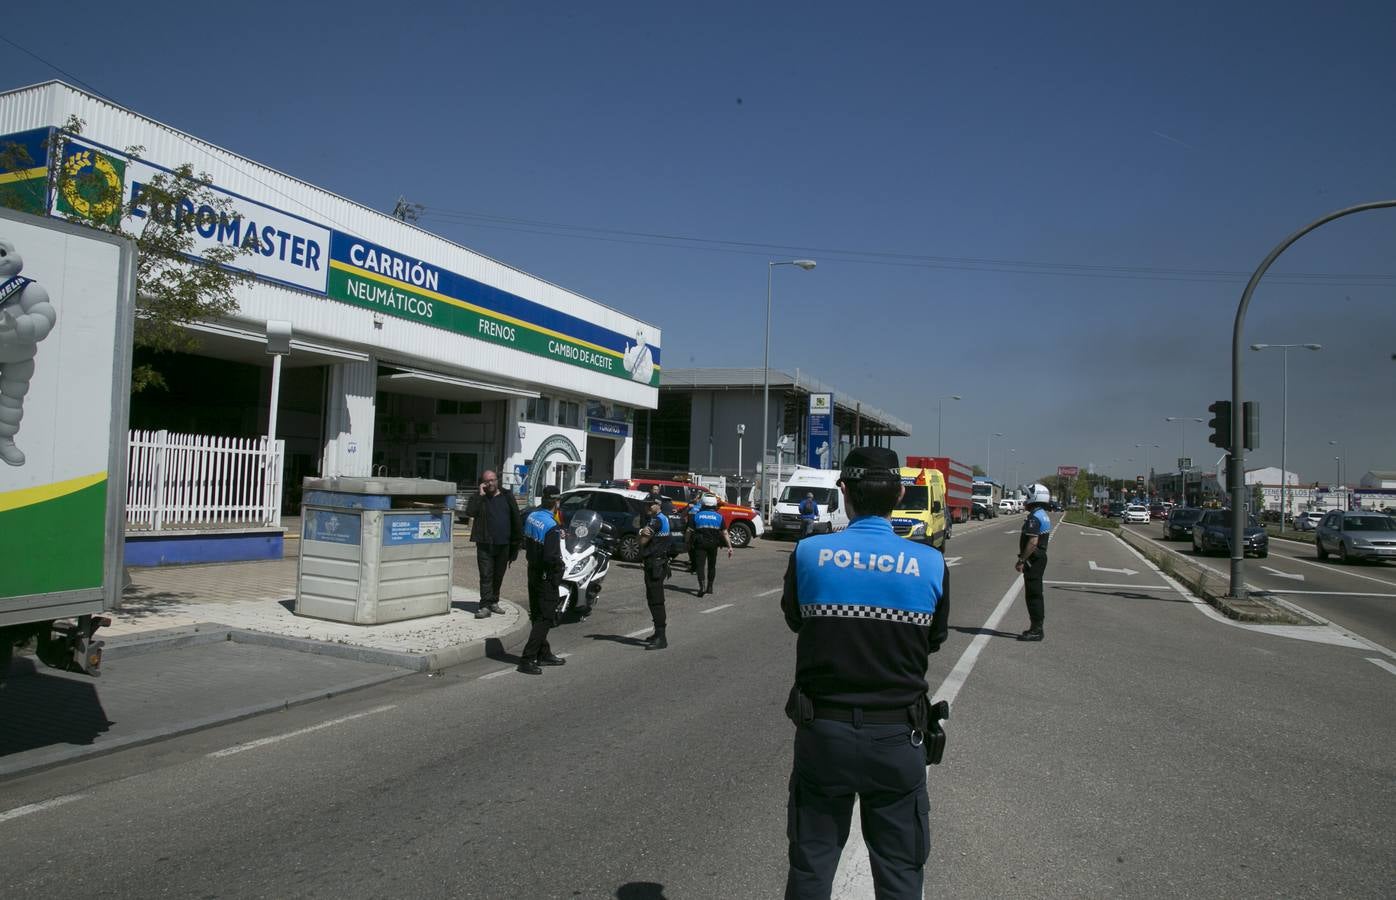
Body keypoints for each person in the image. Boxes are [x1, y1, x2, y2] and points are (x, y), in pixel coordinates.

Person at [780, 446, 949, 900]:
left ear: (844, 492)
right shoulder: (931, 562)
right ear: (898, 494)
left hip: (824, 735)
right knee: (900, 872)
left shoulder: (808, 552)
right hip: (898, 737)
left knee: (811, 867)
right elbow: (933, 639)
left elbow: (795, 619)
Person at [517, 486, 568, 675]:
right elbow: (551, 557)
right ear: (556, 502)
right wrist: (560, 568)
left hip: (533, 571)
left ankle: (543, 653)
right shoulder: (551, 526)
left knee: (538, 614)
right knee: (545, 618)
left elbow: (526, 540)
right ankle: (527, 659)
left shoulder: (532, 517)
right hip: (546, 577)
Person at [465, 470, 522, 619]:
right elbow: (470, 512)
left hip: (504, 544)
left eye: (492, 480)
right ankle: (484, 606)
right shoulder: (479, 497)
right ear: (482, 483)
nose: (490, 483)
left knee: (498, 576)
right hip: (485, 544)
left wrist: (517, 542)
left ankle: (493, 602)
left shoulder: (507, 496)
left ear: (497, 480)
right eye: (486, 481)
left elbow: (516, 518)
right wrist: (480, 495)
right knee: (486, 576)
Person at [1015, 483, 1053, 642]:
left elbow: (1032, 542)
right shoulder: (1042, 514)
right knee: (1035, 594)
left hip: (1034, 560)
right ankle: (1036, 628)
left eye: (1027, 496)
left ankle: (1036, 630)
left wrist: (1022, 560)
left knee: (1033, 595)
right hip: (1039, 558)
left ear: (1034, 497)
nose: (1025, 499)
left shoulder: (1035, 517)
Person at [638, 496, 672, 649]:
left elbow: (642, 541)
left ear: (658, 505)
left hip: (655, 564)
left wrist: (640, 533)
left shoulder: (656, 520)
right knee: (653, 598)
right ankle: (657, 633)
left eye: (650, 505)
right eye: (647, 504)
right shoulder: (663, 518)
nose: (647, 507)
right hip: (659, 562)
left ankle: (661, 637)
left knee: (656, 600)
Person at [685, 493, 732, 597]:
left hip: (700, 544)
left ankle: (702, 587)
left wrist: (687, 542)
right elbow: (725, 533)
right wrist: (729, 547)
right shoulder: (719, 517)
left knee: (700, 566)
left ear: (703, 504)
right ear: (714, 504)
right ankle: (710, 587)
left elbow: (689, 530)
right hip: (713, 544)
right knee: (711, 566)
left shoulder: (696, 515)